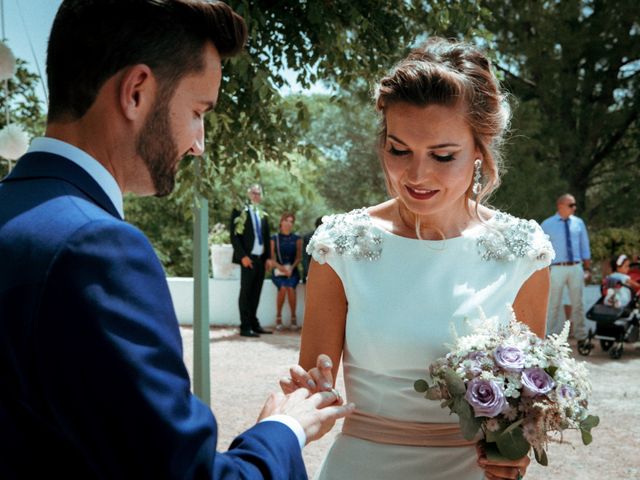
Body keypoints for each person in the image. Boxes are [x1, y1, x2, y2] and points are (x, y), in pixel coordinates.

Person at [0, 1, 354, 478]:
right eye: (197, 111)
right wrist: (285, 429)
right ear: (137, 92)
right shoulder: (96, 249)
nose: (199, 142)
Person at [280, 37, 554, 480]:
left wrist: (517, 450)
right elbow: (315, 389)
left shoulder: (524, 253)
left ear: (481, 152)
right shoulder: (341, 246)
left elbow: (527, 400)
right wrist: (301, 397)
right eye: (398, 150)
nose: (416, 175)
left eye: (442, 155)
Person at [541, 194, 591, 345]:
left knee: (579, 303)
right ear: (560, 206)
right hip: (556, 268)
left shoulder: (579, 223)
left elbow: (584, 246)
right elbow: (541, 248)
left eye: (574, 205)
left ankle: (581, 337)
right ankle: (547, 337)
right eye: (571, 205)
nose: (574, 208)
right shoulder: (547, 224)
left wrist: (588, 269)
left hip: (576, 267)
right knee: (553, 303)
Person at [230, 184, 273, 337]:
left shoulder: (262, 214)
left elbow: (267, 237)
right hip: (247, 260)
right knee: (246, 293)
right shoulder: (240, 211)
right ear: (248, 194)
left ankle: (254, 324)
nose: (256, 195)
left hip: (261, 260)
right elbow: (234, 236)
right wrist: (243, 256)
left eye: (258, 193)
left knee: (256, 293)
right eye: (253, 193)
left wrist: (268, 257)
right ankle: (245, 326)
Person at [271, 212, 303, 331]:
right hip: (279, 271)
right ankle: (278, 317)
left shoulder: (297, 239)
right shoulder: (274, 238)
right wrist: (281, 268)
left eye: (291, 221)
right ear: (281, 222)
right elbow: (271, 258)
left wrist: (291, 268)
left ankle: (293, 318)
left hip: (292, 271)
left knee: (290, 288)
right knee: (283, 287)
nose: (288, 223)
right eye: (286, 220)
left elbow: (299, 257)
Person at [302, 216, 323, 283]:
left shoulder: (331, 238)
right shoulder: (308, 237)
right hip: (310, 272)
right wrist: (308, 273)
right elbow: (305, 258)